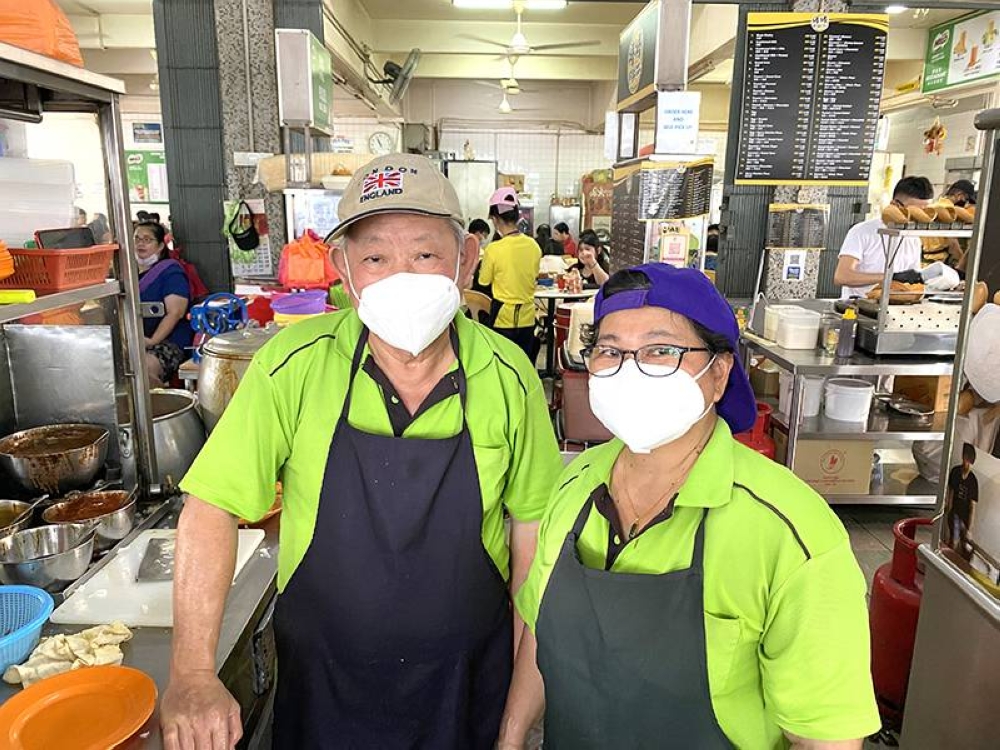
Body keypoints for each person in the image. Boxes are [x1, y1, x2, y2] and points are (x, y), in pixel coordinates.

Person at [163, 154, 562, 750]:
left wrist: (514, 722)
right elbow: (210, 508)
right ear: (343, 272)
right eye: (375, 257)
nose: (402, 274)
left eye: (425, 254)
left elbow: (534, 543)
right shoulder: (291, 364)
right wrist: (192, 673)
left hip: (467, 689)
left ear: (465, 260)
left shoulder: (508, 375)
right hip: (325, 689)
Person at [499, 263, 880, 750]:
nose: (630, 369)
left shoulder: (791, 534)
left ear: (718, 374)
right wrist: (509, 739)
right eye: (610, 351)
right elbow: (538, 630)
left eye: (660, 350)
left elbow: (826, 739)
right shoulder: (573, 483)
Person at [834, 176, 934, 298]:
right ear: (895, 204)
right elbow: (842, 276)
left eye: (925, 213)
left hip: (896, 307)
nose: (919, 218)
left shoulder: (913, 239)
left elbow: (913, 282)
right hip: (858, 307)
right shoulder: (862, 232)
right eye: (914, 212)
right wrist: (890, 276)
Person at [480, 187, 543, 359]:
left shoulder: (493, 249)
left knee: (503, 365)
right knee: (525, 365)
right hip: (528, 318)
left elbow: (484, 282)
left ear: (495, 219)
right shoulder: (534, 246)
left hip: (502, 319)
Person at [134, 220, 192, 387]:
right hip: (138, 339)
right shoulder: (129, 275)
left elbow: (176, 312)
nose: (140, 244)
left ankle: (160, 409)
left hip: (170, 341)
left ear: (160, 246)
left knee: (144, 369)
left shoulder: (171, 272)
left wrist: (152, 341)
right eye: (137, 239)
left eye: (147, 239)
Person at [945, 442, 979, 561]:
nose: (967, 464)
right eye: (966, 460)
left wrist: (970, 528)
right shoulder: (955, 472)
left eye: (969, 462)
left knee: (964, 544)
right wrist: (947, 509)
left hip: (964, 515)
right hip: (955, 511)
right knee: (953, 540)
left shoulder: (972, 480)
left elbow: (972, 506)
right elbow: (951, 492)